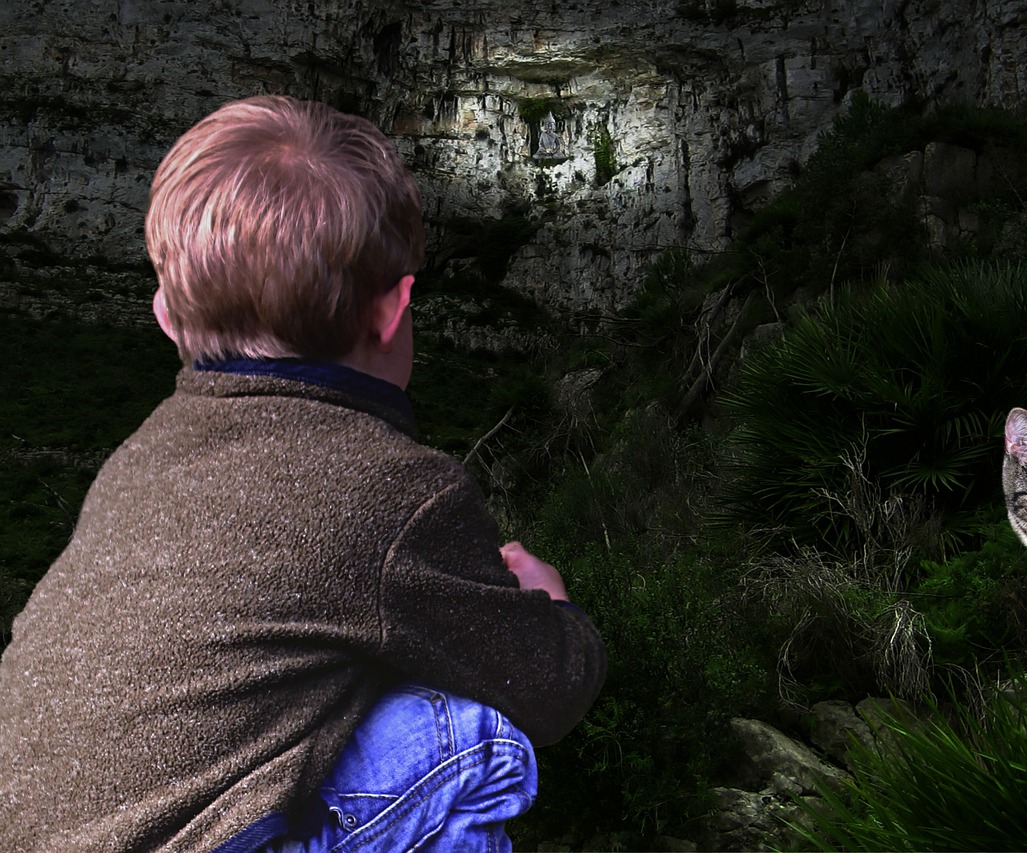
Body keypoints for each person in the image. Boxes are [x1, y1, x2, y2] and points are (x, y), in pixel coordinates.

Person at [0, 95, 606, 852]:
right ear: (394, 309)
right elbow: (548, 685)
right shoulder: (398, 488)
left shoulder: (133, 463)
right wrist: (555, 612)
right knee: (468, 735)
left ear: (163, 313)